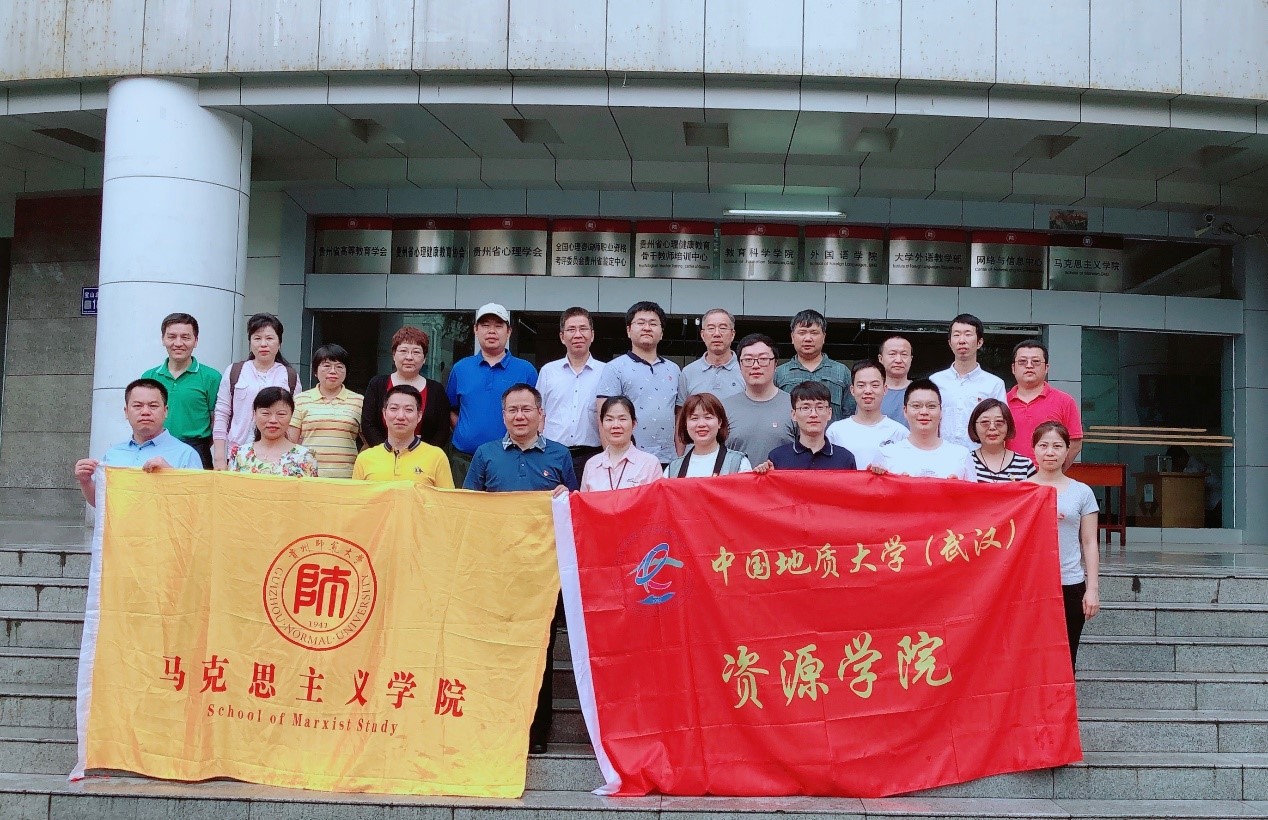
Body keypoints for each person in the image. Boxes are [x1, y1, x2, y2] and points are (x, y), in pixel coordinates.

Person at [463, 383, 577, 754]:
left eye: (527, 409)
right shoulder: (486, 454)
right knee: (495, 650)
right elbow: (469, 508)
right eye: (512, 410)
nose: (520, 416)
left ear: (541, 414)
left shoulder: (559, 455)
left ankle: (535, 730)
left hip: (544, 573)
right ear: (503, 415)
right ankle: (493, 725)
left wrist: (568, 497)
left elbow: (575, 510)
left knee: (540, 651)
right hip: (497, 571)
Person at [1028, 421, 1100, 668]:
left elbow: (1089, 543)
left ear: (1068, 450)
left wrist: (1093, 589)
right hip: (1030, 585)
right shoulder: (1021, 489)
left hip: (1069, 582)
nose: (1050, 452)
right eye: (1043, 445)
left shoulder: (1082, 492)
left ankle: (1064, 696)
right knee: (1031, 655)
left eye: (1057, 446)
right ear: (1034, 449)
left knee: (1067, 656)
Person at [73, 378, 203, 507]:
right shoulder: (113, 454)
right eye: (137, 406)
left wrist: (170, 476)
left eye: (153, 406)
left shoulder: (186, 455)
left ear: (165, 411)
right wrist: (85, 481)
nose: (145, 412)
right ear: (126, 412)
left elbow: (198, 506)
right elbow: (102, 503)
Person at [446, 304, 538, 485]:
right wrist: (465, 432)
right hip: (464, 459)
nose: (491, 331)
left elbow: (537, 412)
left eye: (498, 325)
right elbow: (451, 408)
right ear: (476, 330)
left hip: (512, 460)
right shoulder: (460, 369)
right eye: (485, 325)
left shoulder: (526, 370)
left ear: (509, 331)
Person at [595, 301, 681, 465]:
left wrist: (679, 459)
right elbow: (604, 418)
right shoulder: (615, 368)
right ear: (629, 330)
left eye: (653, 324)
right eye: (641, 323)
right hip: (629, 461)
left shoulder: (674, 370)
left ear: (661, 333)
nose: (647, 328)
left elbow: (679, 418)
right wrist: (613, 462)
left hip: (669, 459)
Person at [213, 313, 300, 471]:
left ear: (279, 342)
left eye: (269, 338)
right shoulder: (234, 371)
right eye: (257, 338)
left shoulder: (290, 376)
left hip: (278, 457)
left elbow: (295, 419)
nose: (263, 344)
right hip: (236, 453)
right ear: (250, 342)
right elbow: (222, 414)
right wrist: (219, 458)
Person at [140, 312, 221, 469]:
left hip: (196, 449)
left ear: (196, 341)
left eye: (185, 337)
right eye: (172, 337)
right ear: (163, 339)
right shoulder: (149, 376)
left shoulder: (212, 377)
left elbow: (216, 422)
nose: (178, 343)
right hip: (154, 447)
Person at [539, 307, 606, 480]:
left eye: (583, 329)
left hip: (592, 456)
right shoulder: (548, 371)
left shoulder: (606, 372)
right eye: (571, 329)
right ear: (562, 337)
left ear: (592, 335)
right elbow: (539, 415)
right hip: (552, 455)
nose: (578, 335)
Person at [363, 326, 452, 450]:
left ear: (424, 358)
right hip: (382, 456)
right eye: (403, 351)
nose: (409, 357)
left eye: (416, 352)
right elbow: (368, 424)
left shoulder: (436, 390)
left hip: (425, 458)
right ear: (394, 355)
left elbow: (442, 429)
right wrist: (386, 452)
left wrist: (426, 454)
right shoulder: (377, 384)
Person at [929, 313, 1005, 451]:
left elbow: (1001, 425)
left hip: (980, 456)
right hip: (941, 454)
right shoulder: (935, 381)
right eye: (956, 335)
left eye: (968, 334)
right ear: (950, 343)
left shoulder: (994, 384)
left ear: (979, 342)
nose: (962, 340)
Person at [352, 385, 453, 487]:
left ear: (419, 416)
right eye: (394, 408)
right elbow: (356, 497)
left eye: (408, 409)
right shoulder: (365, 458)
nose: (400, 416)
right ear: (384, 414)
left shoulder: (436, 457)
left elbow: (446, 497)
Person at [874, 379, 976, 481]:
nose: (924, 412)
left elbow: (974, 491)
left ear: (941, 411)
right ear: (905, 411)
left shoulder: (960, 455)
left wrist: (957, 488)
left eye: (931, 406)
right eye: (916, 406)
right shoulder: (886, 454)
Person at [289, 344, 363, 479]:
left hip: (347, 477)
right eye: (326, 365)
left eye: (339, 366)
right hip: (308, 476)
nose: (333, 371)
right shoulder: (300, 400)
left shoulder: (359, 401)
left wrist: (359, 463)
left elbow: (369, 442)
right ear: (315, 371)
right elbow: (290, 442)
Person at [721, 333, 795, 466]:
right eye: (748, 360)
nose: (755, 365)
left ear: (775, 364)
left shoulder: (794, 406)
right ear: (739, 365)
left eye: (763, 359)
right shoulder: (723, 408)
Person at [1007, 339, 1083, 466]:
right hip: (1009, 475)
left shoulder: (1064, 401)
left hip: (1047, 475)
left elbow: (1075, 443)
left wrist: (1056, 472)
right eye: (1022, 362)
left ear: (1046, 368)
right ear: (1013, 368)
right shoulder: (1001, 402)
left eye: (1036, 361)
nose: (1029, 366)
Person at [826, 360, 910, 469]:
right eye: (861, 385)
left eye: (875, 385)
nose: (868, 391)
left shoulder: (900, 433)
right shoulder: (835, 431)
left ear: (885, 389)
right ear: (852, 390)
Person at [774, 309, 854, 422]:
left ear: (824, 337)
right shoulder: (779, 373)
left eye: (814, 333)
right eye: (802, 333)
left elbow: (850, 414)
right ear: (792, 337)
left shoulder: (842, 372)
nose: (808, 339)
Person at [765, 382, 857, 471]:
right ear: (794, 414)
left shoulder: (845, 459)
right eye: (805, 408)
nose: (813, 414)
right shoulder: (778, 458)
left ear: (829, 413)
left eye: (820, 407)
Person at [226, 387, 318, 477]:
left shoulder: (304, 457)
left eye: (281, 414)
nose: (273, 420)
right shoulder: (239, 454)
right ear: (254, 414)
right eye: (265, 413)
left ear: (291, 416)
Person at [578, 397, 663, 492]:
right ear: (601, 424)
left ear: (634, 424)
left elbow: (656, 500)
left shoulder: (650, 464)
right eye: (609, 419)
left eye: (622, 419)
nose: (616, 425)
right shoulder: (592, 465)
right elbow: (583, 500)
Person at [664, 393, 752, 477]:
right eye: (694, 418)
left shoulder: (738, 463)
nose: (701, 424)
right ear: (685, 424)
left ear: (719, 422)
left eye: (708, 417)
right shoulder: (673, 469)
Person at [678, 308, 743, 402]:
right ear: (702, 335)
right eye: (711, 328)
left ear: (732, 334)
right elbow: (681, 409)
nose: (717, 334)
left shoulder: (745, 369)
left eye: (723, 328)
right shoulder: (688, 372)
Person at [968, 398, 1036, 483]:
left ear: (1008, 425)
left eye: (999, 422)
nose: (992, 427)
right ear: (974, 426)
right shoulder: (965, 462)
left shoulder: (1025, 465)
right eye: (985, 422)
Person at [878, 334, 914, 427]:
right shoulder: (871, 393)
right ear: (881, 359)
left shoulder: (920, 392)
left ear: (911, 359)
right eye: (892, 354)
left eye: (904, 354)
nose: (898, 360)